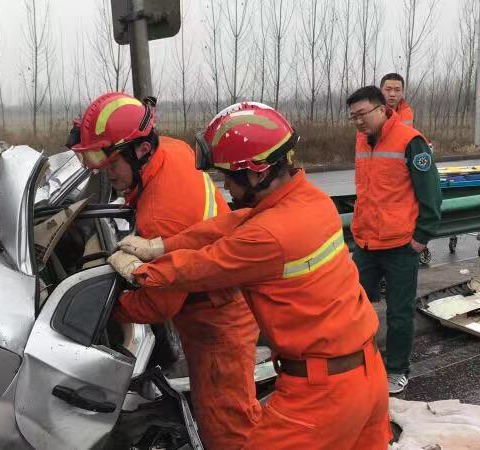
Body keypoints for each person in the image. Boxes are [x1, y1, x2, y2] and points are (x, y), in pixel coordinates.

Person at [109, 102, 390, 449]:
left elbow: (204, 266)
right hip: (366, 373)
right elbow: (229, 224)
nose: (225, 185)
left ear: (257, 173)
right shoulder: (311, 202)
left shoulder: (268, 236)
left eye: (229, 175)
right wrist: (161, 246)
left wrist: (143, 272)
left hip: (321, 394)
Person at [69, 92, 261, 449]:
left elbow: (160, 306)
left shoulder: (162, 214)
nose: (107, 175)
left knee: (226, 425)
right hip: (219, 294)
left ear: (139, 151)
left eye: (111, 164)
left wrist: (107, 308)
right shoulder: (170, 149)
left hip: (216, 318)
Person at [346, 86, 442, 394]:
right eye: (353, 117)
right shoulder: (361, 140)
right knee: (354, 306)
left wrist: (422, 236)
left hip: (401, 245)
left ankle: (397, 369)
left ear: (380, 109)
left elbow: (430, 192)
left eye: (362, 115)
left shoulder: (410, 141)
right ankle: (359, 362)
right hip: (366, 243)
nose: (358, 122)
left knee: (399, 313)